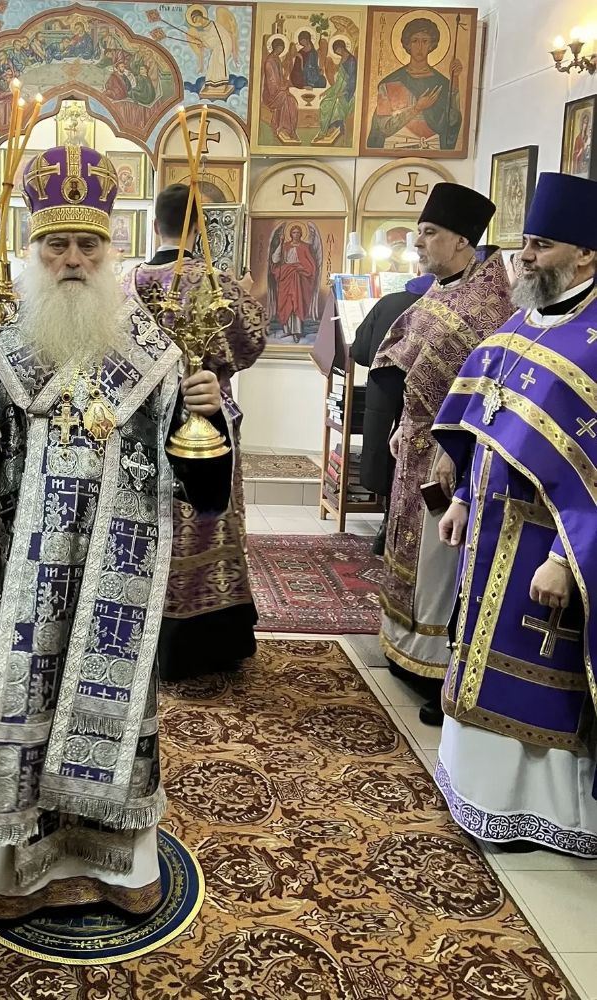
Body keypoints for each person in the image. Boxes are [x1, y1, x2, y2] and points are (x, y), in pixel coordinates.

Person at [0, 145, 232, 918]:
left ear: (110, 251)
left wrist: (209, 418)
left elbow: (207, 492)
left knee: (112, 714)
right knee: (18, 708)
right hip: (23, 584)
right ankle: (10, 866)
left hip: (120, 585)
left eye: (88, 244)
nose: (73, 259)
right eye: (57, 244)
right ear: (34, 247)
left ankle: (115, 860)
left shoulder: (158, 350)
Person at [432, 172, 597, 856]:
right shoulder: (525, 321)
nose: (524, 257)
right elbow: (483, 423)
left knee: (538, 680)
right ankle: (477, 793)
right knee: (477, 658)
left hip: (550, 548)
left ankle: (538, 812)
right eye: (526, 242)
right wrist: (464, 498)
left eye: (541, 245)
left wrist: (565, 558)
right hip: (490, 534)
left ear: (586, 254)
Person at [370, 183, 512, 726]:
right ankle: (405, 650)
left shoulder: (488, 303)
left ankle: (439, 668)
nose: (418, 242)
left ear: (461, 241)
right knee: (410, 548)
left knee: (441, 558)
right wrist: (403, 424)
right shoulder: (444, 288)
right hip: (416, 443)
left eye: (429, 233)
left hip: (454, 454)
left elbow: (488, 386)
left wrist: (456, 447)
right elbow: (409, 361)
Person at [125, 183, 268, 680]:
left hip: (143, 424)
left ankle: (146, 634)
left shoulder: (128, 284)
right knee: (209, 519)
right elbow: (250, 345)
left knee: (150, 520)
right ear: (199, 230)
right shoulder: (218, 282)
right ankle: (210, 636)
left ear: (155, 225)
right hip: (207, 414)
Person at [350, 274, 433, 555]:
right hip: (423, 396)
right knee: (413, 457)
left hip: (384, 395)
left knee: (386, 453)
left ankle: (386, 523)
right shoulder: (442, 307)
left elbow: (360, 351)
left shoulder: (388, 303)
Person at [366, 17, 463, 151]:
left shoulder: (442, 83)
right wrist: (416, 108)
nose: (420, 47)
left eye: (425, 41)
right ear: (408, 45)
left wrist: (455, 79)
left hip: (432, 146)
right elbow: (384, 127)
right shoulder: (389, 82)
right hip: (396, 145)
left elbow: (452, 121)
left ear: (431, 45)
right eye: (415, 41)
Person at [313, 39, 357, 145]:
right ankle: (325, 129)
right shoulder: (342, 59)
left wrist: (345, 92)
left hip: (347, 92)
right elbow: (338, 82)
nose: (338, 52)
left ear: (342, 47)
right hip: (338, 89)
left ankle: (333, 127)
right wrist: (327, 91)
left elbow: (353, 80)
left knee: (336, 103)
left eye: (338, 49)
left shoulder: (351, 60)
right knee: (324, 103)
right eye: (336, 51)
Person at [261, 37, 300, 144]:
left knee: (292, 102)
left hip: (279, 90)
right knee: (288, 101)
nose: (281, 50)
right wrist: (282, 87)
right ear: (275, 47)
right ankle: (287, 129)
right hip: (271, 94)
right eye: (279, 48)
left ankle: (289, 129)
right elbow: (271, 82)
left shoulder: (277, 59)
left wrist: (286, 83)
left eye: (282, 48)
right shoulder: (269, 62)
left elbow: (280, 77)